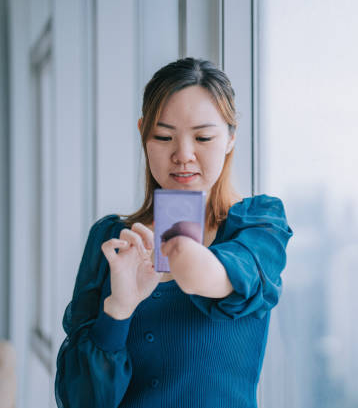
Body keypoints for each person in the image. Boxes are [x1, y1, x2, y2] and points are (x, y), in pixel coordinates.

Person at [55, 58, 293, 408]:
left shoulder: (257, 225)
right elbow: (80, 400)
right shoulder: (111, 239)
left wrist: (177, 245)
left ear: (230, 137)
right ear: (143, 134)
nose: (183, 155)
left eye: (203, 137)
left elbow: (219, 276)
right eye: (164, 136)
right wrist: (119, 307)